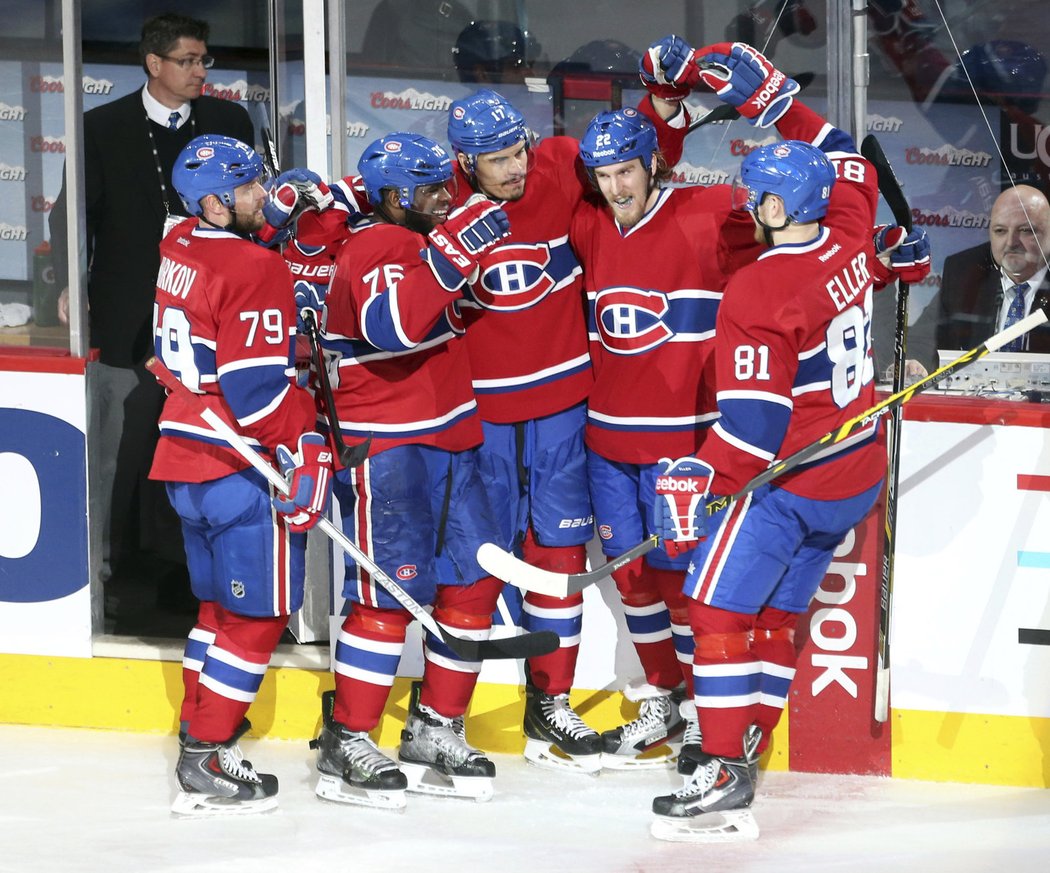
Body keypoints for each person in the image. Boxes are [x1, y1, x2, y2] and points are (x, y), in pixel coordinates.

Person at [644, 41, 887, 842]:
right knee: (779, 613)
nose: (751, 206)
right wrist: (779, 101)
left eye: (760, 198)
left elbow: (751, 433)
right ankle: (749, 740)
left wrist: (694, 477)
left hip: (794, 481)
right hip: (856, 474)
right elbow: (848, 160)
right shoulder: (851, 232)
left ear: (785, 207)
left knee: (714, 606)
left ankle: (720, 768)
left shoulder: (759, 288)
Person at [443, 84, 691, 773]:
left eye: (518, 150)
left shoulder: (557, 163)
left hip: (562, 411)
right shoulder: (440, 200)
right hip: (481, 416)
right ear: (465, 161)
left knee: (557, 565)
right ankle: (441, 718)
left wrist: (664, 104)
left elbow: (640, 162)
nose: (515, 167)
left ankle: (547, 705)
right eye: (497, 159)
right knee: (475, 568)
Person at [311, 133, 512, 809]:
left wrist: (464, 267)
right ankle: (349, 736)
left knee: (473, 582)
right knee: (387, 593)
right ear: (396, 198)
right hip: (388, 447)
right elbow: (391, 325)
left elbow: (449, 313)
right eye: (430, 191)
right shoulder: (373, 247)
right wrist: (456, 252)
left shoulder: (417, 243)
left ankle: (435, 725)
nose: (445, 199)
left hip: (452, 434)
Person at [48, 12, 254, 614]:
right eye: (188, 60)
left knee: (208, 447)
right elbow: (71, 217)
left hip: (214, 315)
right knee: (123, 449)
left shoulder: (229, 120)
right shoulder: (102, 126)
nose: (200, 72)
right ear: (153, 64)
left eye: (204, 60)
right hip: (128, 312)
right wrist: (69, 284)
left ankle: (200, 573)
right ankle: (109, 575)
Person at [152, 134, 334, 816]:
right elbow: (256, 394)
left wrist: (270, 237)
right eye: (252, 187)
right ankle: (205, 753)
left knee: (216, 611)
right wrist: (309, 443)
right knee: (258, 617)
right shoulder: (259, 272)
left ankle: (198, 723)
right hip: (239, 465)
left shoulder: (177, 245)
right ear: (216, 203)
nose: (266, 194)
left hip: (183, 456)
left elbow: (218, 317)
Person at [908, 184, 1050, 371]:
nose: (1011, 242)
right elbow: (923, 343)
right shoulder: (965, 271)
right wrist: (914, 365)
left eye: (1026, 230)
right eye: (1000, 231)